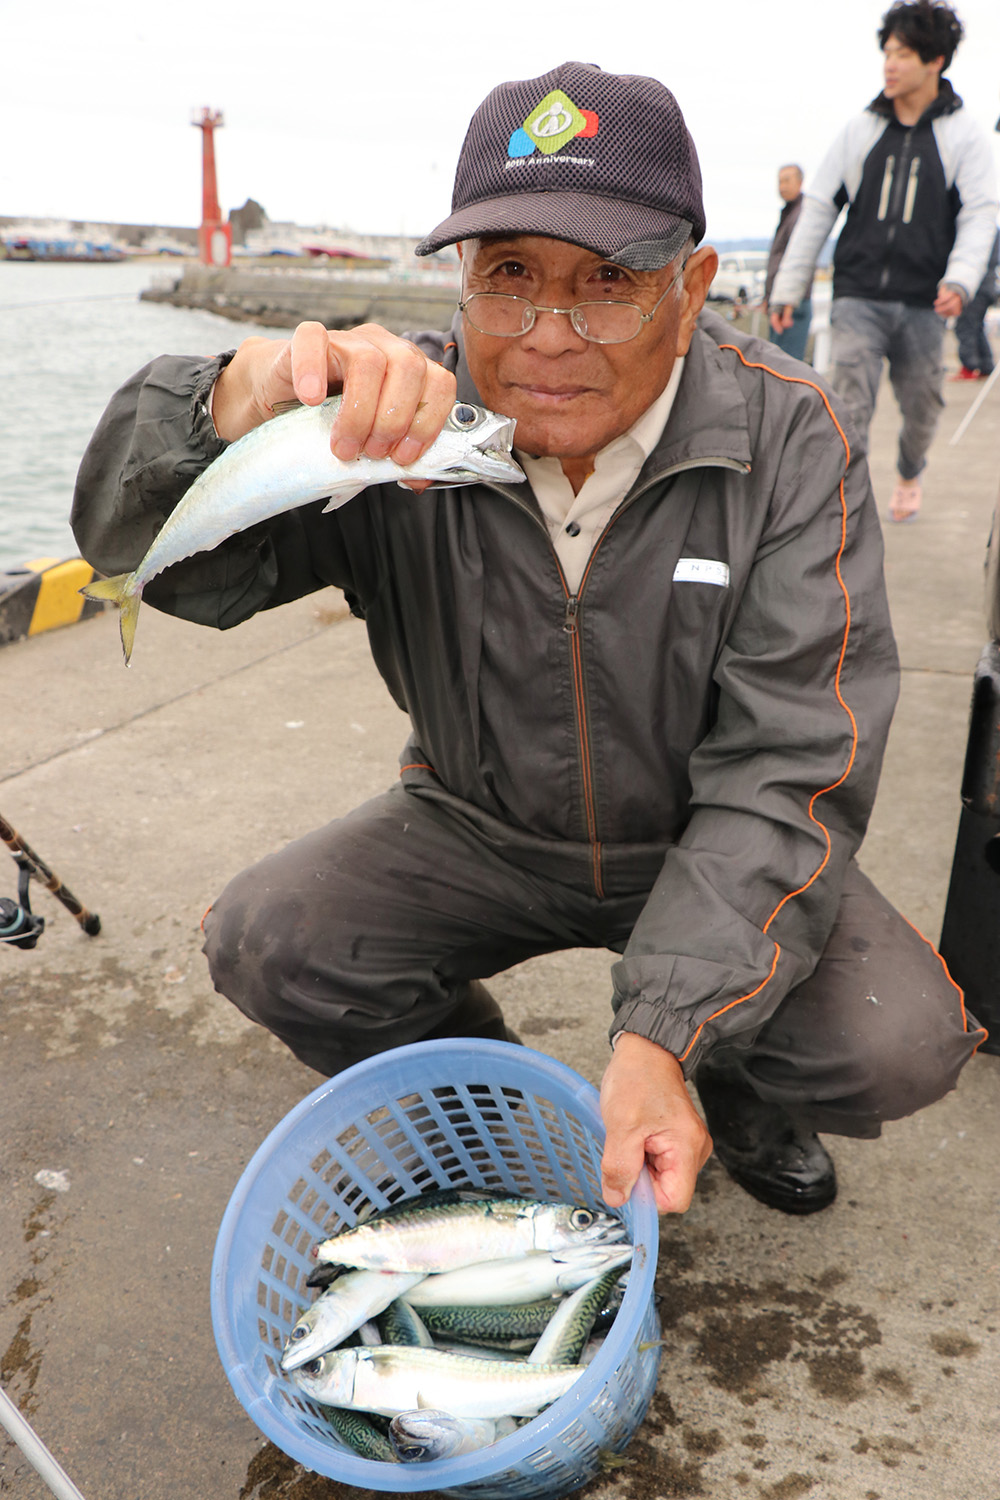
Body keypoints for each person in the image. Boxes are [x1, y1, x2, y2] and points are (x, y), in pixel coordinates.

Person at [72, 61, 986, 1221]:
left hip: (698, 830)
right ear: (460, 281)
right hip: (474, 817)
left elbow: (791, 761)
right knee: (270, 942)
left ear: (694, 286)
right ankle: (479, 1082)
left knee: (896, 1041)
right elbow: (150, 558)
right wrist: (226, 402)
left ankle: (727, 1072)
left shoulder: (788, 434)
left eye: (608, 283)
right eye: (508, 277)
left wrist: (661, 1036)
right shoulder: (383, 426)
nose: (547, 336)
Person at [770, 1, 998, 524]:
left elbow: (981, 216)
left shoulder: (965, 136)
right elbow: (820, 207)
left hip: (924, 301)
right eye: (887, 52)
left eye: (903, 54)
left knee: (923, 407)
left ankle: (910, 471)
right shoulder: (860, 129)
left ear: (935, 59)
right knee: (848, 405)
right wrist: (789, 287)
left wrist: (960, 280)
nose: (890, 64)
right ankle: (847, 504)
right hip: (858, 294)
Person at [764, 164, 813, 362]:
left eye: (787, 180)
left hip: (791, 304)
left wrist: (788, 302)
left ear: (800, 183)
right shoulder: (789, 213)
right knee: (778, 362)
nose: (782, 186)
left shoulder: (802, 214)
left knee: (786, 365)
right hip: (780, 302)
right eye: (780, 181)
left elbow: (803, 259)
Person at [950, 227, 998, 379]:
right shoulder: (993, 231)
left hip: (976, 287)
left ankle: (969, 367)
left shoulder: (981, 230)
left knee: (965, 326)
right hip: (988, 286)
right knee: (976, 327)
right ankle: (986, 365)